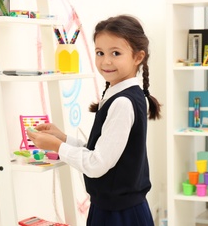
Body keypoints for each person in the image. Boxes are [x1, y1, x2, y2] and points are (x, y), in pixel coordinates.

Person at [27, 14, 162, 226]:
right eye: (100, 53)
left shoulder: (122, 103)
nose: (105, 61)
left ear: (138, 57)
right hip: (112, 209)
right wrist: (62, 138)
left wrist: (57, 146)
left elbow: (97, 164)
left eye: (115, 53)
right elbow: (102, 151)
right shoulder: (121, 96)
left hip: (120, 215)